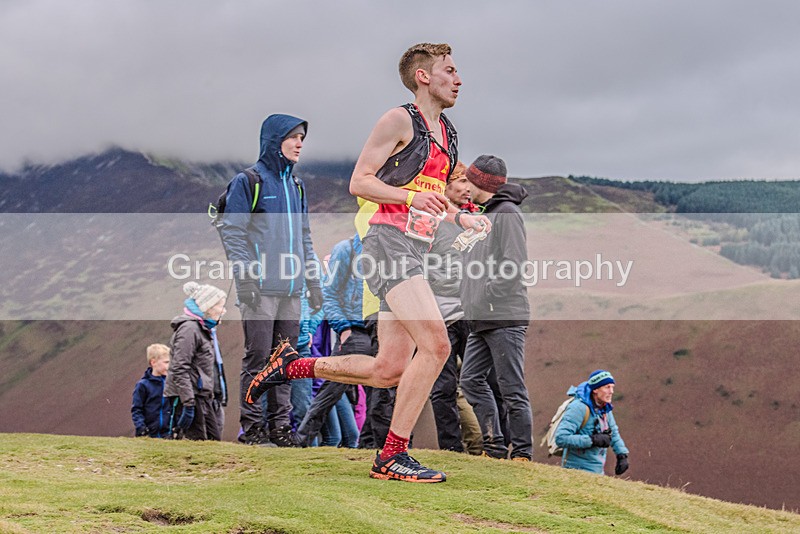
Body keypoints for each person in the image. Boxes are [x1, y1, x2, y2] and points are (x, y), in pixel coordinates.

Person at [246, 42, 490, 482]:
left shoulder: (448, 135)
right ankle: (391, 455)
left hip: (415, 249)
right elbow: (360, 182)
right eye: (450, 70)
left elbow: (432, 199)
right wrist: (410, 199)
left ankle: (290, 365)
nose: (458, 79)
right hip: (386, 245)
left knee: (388, 369)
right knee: (437, 346)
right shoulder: (398, 120)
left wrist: (462, 218)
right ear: (423, 76)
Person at [219, 114, 322, 446]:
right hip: (260, 289)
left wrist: (313, 281)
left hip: (292, 291)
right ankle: (252, 430)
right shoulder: (248, 181)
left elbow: (304, 237)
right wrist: (246, 280)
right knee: (258, 358)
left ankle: (280, 429)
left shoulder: (296, 186)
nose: (299, 144)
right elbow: (233, 233)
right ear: (275, 141)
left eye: (302, 138)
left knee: (285, 362)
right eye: (293, 138)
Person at [460, 155, 534, 461]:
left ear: (482, 183)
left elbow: (514, 265)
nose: (465, 186)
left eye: (469, 180)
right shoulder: (486, 215)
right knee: (470, 380)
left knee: (511, 387)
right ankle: (494, 446)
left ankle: (523, 454)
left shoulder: (507, 213)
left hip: (504, 315)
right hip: (481, 318)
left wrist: (486, 295)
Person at [426, 161, 481, 453]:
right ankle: (451, 450)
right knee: (443, 387)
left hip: (470, 314)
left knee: (480, 381)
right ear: (444, 186)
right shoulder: (430, 221)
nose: (467, 188)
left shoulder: (476, 220)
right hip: (439, 316)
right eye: (461, 182)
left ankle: (491, 445)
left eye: (469, 183)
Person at [164, 282, 227, 440]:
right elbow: (179, 367)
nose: (223, 311)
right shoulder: (189, 329)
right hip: (189, 397)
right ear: (208, 307)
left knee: (213, 440)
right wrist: (188, 402)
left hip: (202, 396)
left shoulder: (204, 330)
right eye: (220, 306)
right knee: (195, 442)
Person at [554, 369, 630, 475]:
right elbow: (561, 438)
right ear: (595, 389)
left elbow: (613, 433)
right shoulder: (578, 408)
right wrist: (592, 440)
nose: (611, 391)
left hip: (598, 471)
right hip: (575, 471)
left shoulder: (605, 408)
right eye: (607, 387)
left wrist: (622, 454)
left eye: (612, 387)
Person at [131, 343, 172, 438]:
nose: (169, 366)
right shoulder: (143, 385)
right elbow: (137, 409)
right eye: (166, 362)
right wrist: (141, 428)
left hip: (168, 435)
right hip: (148, 435)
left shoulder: (171, 384)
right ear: (153, 362)